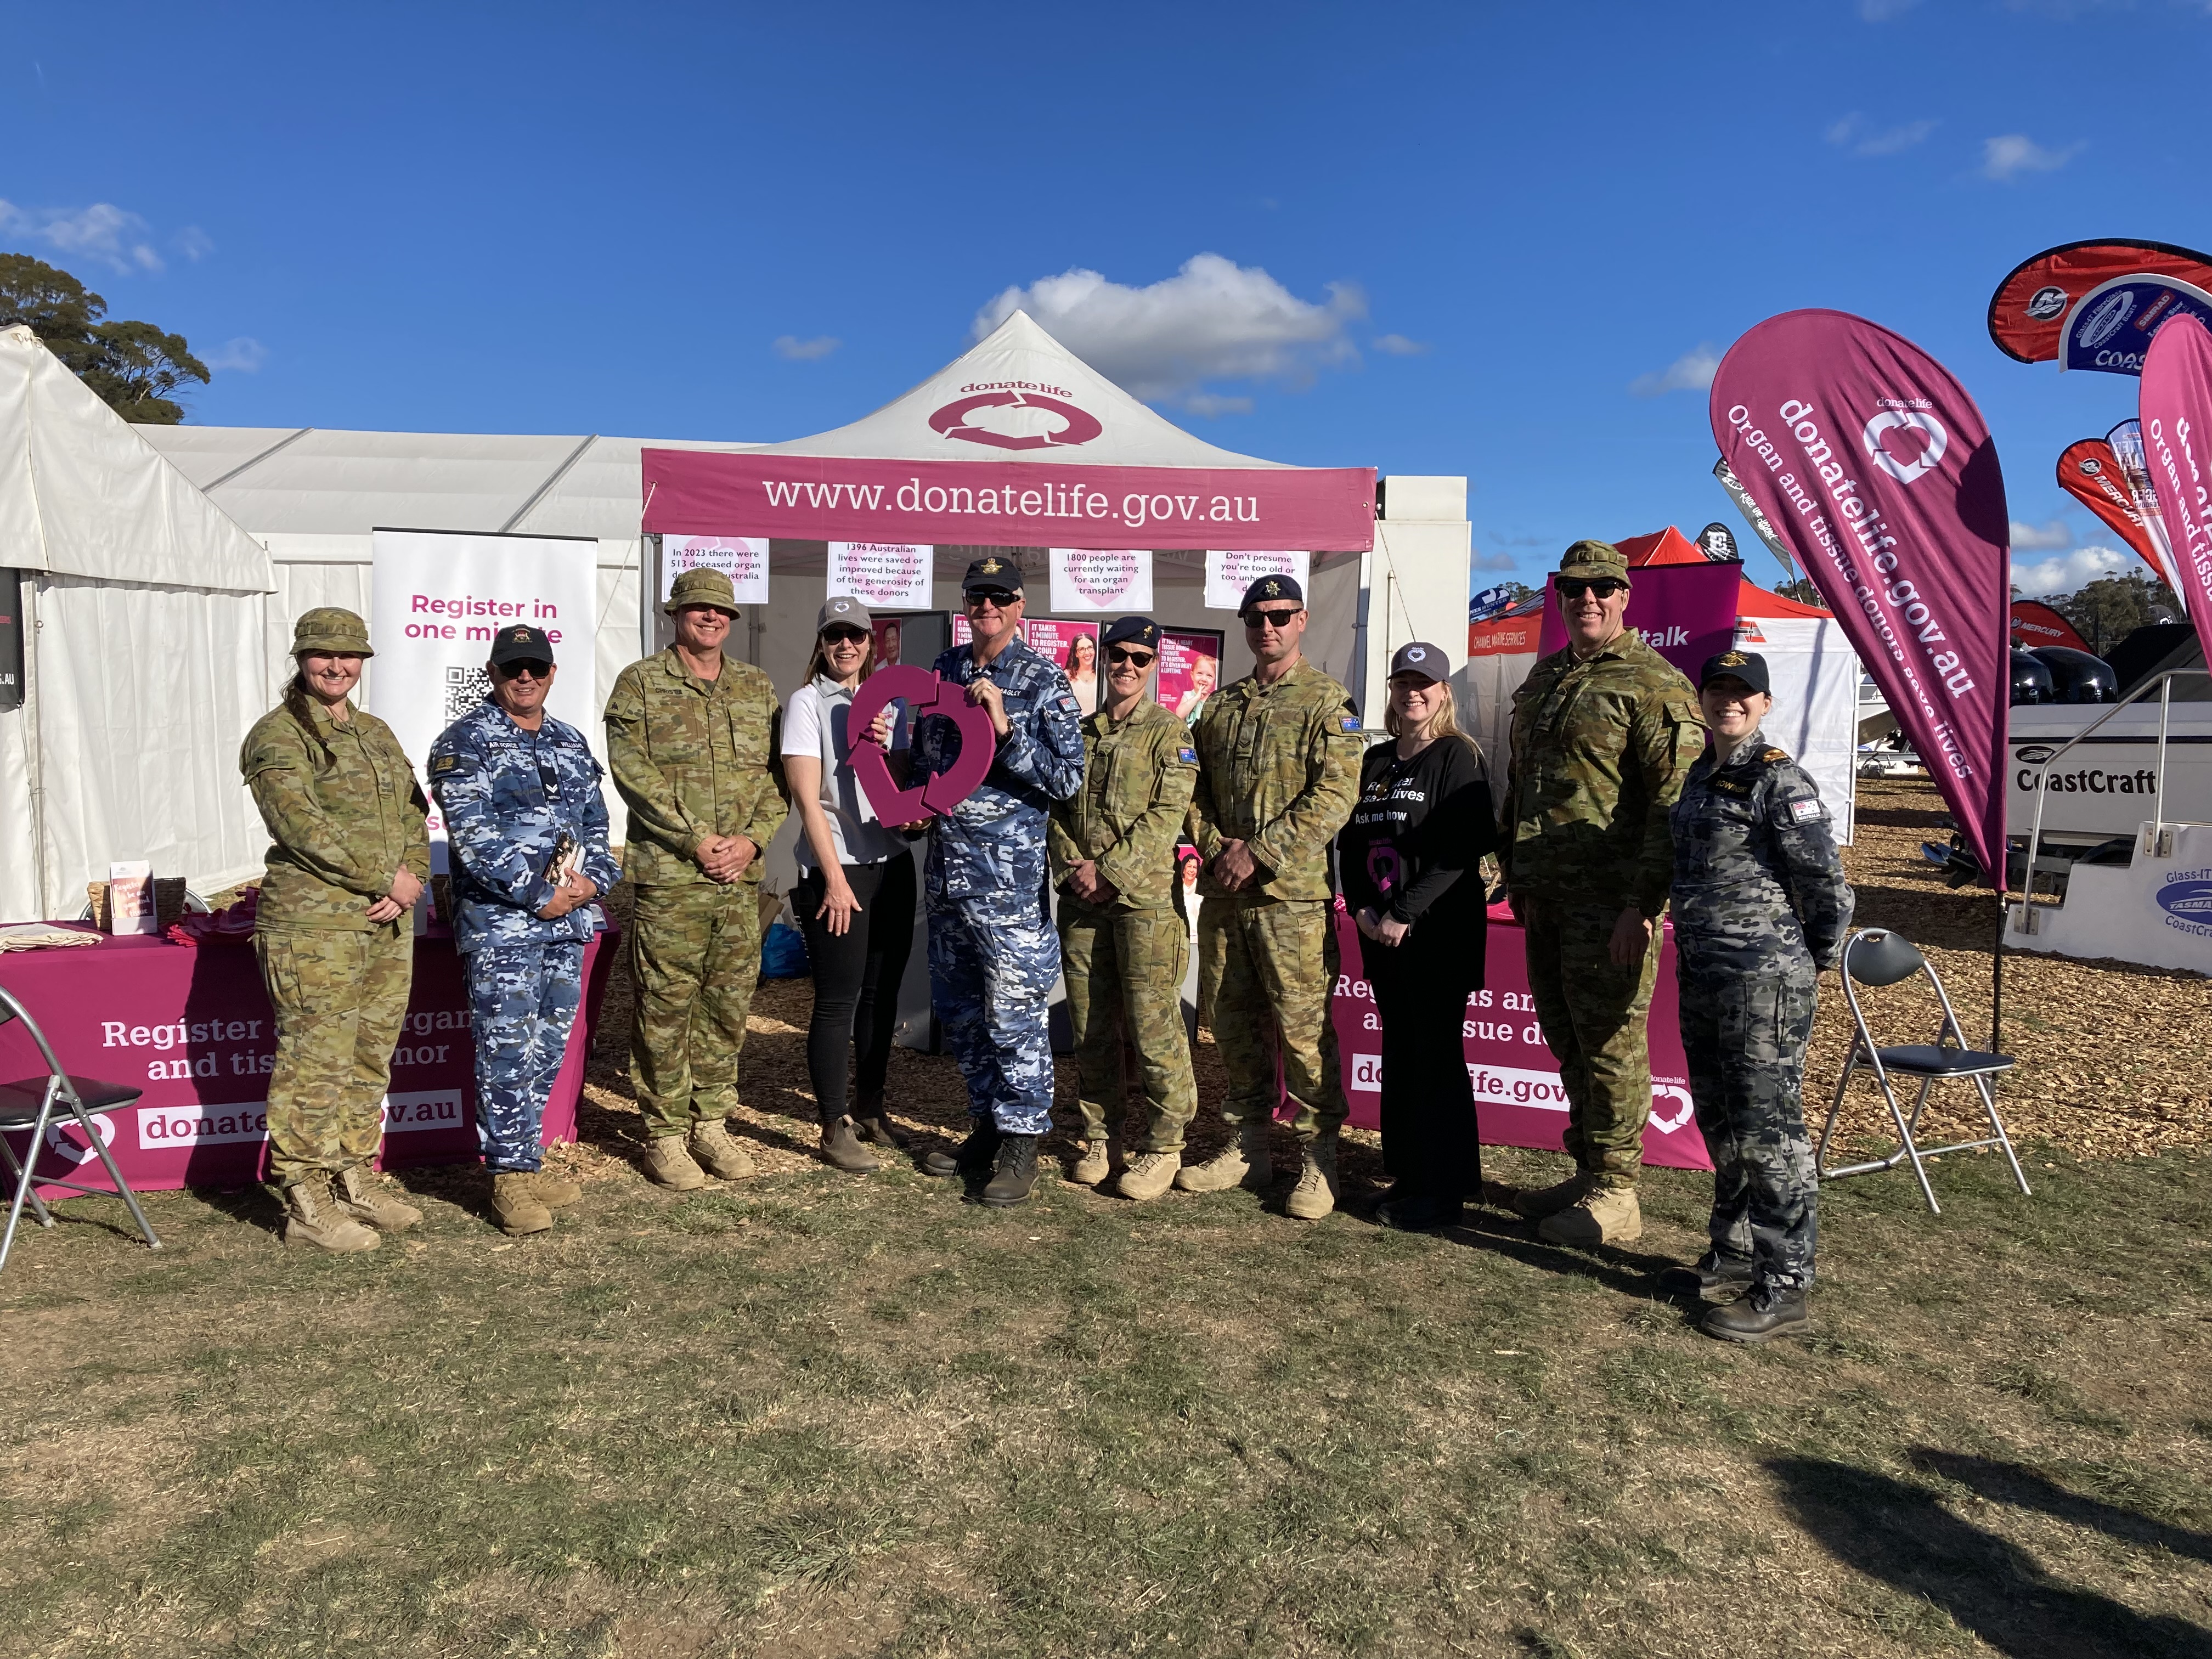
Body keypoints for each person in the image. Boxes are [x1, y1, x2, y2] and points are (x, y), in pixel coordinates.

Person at [1495, 541, 1705, 1247]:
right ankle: (1590, 1169)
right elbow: (1522, 782)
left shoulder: (1654, 684)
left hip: (1609, 902)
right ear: (1559, 597)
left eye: (1602, 588)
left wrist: (1642, 906)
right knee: (1567, 1038)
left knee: (1612, 1041)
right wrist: (1513, 874)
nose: (1588, 599)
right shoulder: (1549, 676)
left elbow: (1670, 808)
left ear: (1625, 597)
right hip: (1546, 895)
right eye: (1575, 588)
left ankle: (1619, 1191)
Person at [1662, 651, 1852, 1344]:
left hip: (1763, 980)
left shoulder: (1778, 779)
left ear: (1765, 703)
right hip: (1706, 973)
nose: (1729, 702)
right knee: (1718, 1116)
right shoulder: (1702, 774)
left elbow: (1825, 887)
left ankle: (1786, 1281)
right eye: (1719, 690)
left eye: (1743, 693)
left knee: (1768, 1129)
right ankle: (1733, 1252)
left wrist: (1813, 955)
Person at [236, 608, 430, 1252]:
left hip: (384, 920)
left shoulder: (374, 731)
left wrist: (412, 877)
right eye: (323, 654)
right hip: (314, 925)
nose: (336, 666)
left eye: (349, 656)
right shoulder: (279, 734)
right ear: (300, 658)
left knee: (369, 1053)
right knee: (315, 1058)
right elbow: (299, 826)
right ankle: (305, 1198)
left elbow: (412, 811)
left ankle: (352, 1171)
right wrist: (384, 877)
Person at [1181, 574, 1363, 1219]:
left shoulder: (1327, 702)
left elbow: (1336, 795)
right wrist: (1214, 848)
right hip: (1229, 895)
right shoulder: (1223, 707)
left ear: (1302, 619)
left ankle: (1320, 1160)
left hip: (1292, 900)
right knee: (1232, 1024)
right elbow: (1192, 788)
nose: (1268, 626)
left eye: (1281, 615)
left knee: (1304, 1032)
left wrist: (1258, 851)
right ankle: (1247, 1144)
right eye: (1257, 616)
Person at [429, 624, 620, 1237]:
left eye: (536, 667)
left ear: (552, 673)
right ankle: (509, 1177)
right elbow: (473, 837)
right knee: (506, 1048)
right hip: (504, 926)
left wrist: (595, 882)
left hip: (568, 922)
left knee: (547, 1047)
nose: (526, 678)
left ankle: (527, 1161)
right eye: (514, 668)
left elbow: (595, 821)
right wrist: (539, 895)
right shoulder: (465, 742)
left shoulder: (568, 741)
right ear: (493, 673)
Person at [604, 567, 788, 1190]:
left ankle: (711, 1123)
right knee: (664, 1005)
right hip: (673, 875)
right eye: (698, 609)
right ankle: (663, 1134)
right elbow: (632, 771)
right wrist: (695, 840)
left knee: (728, 1003)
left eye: (721, 611)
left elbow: (778, 777)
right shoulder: (642, 684)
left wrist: (753, 840)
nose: (711, 618)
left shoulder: (756, 687)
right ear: (675, 615)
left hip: (738, 878)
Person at [915, 555, 1086, 1206]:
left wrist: (1007, 729)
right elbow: (929, 768)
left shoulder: (1043, 680)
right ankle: (985, 1126)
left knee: (1015, 1016)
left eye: (999, 597)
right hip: (948, 878)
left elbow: (1069, 778)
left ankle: (1021, 1143)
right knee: (962, 1014)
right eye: (976, 597)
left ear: (1019, 607)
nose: (986, 607)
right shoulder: (943, 671)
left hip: (1008, 885)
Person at [1335, 641, 1499, 1231]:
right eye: (1403, 681)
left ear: (1443, 692)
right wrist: (1360, 909)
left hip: (1436, 933)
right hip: (1381, 934)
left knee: (1436, 1057)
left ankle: (1445, 1189)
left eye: (1424, 682)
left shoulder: (1456, 755)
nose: (1413, 692)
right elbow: (1351, 845)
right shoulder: (1376, 761)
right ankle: (1408, 1175)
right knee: (1400, 1054)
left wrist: (1404, 910)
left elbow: (1464, 844)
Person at [1047, 616, 1201, 1201]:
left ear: (1154, 663)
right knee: (1089, 1025)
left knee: (1153, 1025)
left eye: (1140, 657)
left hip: (1144, 906)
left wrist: (1108, 872)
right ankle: (1100, 1136)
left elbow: (1167, 817)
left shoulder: (1171, 734)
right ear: (1104, 657)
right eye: (1119, 655)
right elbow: (1057, 810)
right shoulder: (1080, 734)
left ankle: (1163, 1146)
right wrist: (1073, 870)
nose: (1128, 666)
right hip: (1084, 904)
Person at [781, 594, 918, 1173]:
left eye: (856, 635)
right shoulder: (806, 703)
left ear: (870, 641)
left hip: (891, 863)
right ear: (821, 643)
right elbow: (807, 798)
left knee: (880, 996)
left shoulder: (888, 704)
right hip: (837, 868)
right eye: (835, 635)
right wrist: (835, 878)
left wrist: (890, 755)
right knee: (837, 1000)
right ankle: (832, 1124)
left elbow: (908, 793)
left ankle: (870, 1109)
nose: (846, 645)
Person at [1173, 647, 1218, 725]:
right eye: (1200, 673)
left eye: (1209, 676)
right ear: (1192, 675)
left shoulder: (1214, 700)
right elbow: (1179, 715)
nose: (1204, 679)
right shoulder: (1188, 696)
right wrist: (1197, 698)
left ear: (1214, 680)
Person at [1063, 630, 1098, 713]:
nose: (1087, 653)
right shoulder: (1066, 676)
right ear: (1076, 654)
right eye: (1082, 649)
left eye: (1090, 647)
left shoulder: (1103, 675)